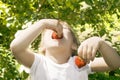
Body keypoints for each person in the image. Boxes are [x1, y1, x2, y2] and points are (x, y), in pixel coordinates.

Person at [10, 19, 120, 80]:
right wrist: (42, 24)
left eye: (65, 28)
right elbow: (16, 48)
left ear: (74, 45)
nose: (57, 29)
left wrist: (100, 42)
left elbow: (115, 63)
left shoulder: (80, 63)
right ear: (43, 46)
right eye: (48, 29)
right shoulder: (39, 62)